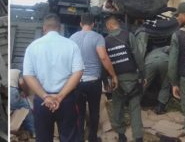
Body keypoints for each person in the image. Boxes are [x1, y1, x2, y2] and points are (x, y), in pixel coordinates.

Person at [23, 13, 84, 142]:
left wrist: (45, 96)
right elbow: (78, 72)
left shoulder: (32, 47)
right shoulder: (71, 45)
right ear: (59, 27)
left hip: (42, 101)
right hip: (67, 100)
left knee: (43, 138)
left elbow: (28, 75)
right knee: (69, 137)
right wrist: (60, 96)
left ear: (44, 28)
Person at [70, 13, 118, 142]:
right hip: (93, 82)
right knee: (94, 111)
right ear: (93, 24)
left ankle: (79, 138)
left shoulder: (72, 38)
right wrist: (113, 75)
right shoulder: (98, 37)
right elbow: (103, 57)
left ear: (81, 24)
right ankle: (92, 138)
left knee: (79, 113)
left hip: (76, 81)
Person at [104, 16, 144, 142]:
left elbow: (105, 62)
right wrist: (143, 74)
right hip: (132, 77)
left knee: (118, 106)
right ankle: (138, 137)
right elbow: (137, 56)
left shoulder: (105, 41)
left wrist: (106, 80)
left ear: (110, 26)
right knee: (135, 108)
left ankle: (121, 135)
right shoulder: (129, 35)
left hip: (116, 80)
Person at [168, 1, 185, 142]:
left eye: (178, 16)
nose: (177, 18)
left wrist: (174, 83)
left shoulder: (178, 35)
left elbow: (172, 64)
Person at [10, 68, 35, 136]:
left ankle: (14, 130)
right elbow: (21, 82)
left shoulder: (12, 71)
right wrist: (26, 92)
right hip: (12, 91)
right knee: (26, 109)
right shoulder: (20, 72)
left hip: (8, 91)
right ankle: (32, 132)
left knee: (12, 111)